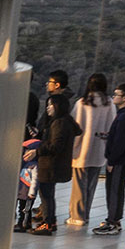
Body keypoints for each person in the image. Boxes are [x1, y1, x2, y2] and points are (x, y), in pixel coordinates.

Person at [96, 83, 125, 236]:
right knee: (116, 189)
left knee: (114, 190)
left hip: (120, 160)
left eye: (117, 94)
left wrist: (112, 161)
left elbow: (120, 142)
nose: (114, 97)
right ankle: (114, 219)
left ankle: (113, 222)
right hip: (123, 158)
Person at [69, 74, 113, 227]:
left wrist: (72, 148)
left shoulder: (82, 103)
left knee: (79, 184)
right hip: (100, 149)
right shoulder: (109, 103)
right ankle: (85, 214)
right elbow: (111, 127)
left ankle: (77, 216)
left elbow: (75, 127)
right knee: (91, 184)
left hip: (82, 149)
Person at [32, 93, 77, 233]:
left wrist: (37, 151)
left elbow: (55, 145)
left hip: (51, 164)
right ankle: (50, 221)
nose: (48, 108)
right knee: (47, 194)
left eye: (51, 105)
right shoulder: (65, 121)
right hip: (54, 164)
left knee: (46, 194)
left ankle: (48, 223)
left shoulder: (59, 123)